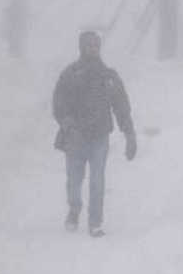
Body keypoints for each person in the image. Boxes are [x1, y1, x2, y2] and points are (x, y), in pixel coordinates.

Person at [51, 30, 136, 237]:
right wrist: (67, 124)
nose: (93, 49)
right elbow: (59, 104)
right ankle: (74, 209)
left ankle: (95, 222)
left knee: (97, 181)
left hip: (99, 137)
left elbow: (121, 106)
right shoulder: (70, 74)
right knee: (74, 181)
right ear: (81, 47)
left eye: (96, 46)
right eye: (89, 46)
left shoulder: (108, 77)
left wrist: (129, 133)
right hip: (75, 136)